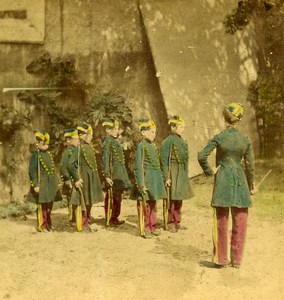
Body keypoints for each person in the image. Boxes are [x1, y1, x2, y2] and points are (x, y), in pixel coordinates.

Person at [198, 102, 256, 268]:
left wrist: (210, 171)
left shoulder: (219, 137)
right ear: (239, 119)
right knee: (241, 221)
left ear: (225, 118)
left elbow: (202, 156)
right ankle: (236, 260)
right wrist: (251, 186)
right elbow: (250, 166)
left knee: (221, 221)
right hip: (240, 183)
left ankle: (221, 259)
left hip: (223, 181)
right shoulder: (245, 140)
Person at [132, 118, 167, 238]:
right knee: (144, 205)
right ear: (143, 133)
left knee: (153, 204)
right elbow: (138, 167)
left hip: (154, 181)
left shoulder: (153, 146)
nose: (154, 134)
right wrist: (141, 184)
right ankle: (145, 228)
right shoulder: (141, 146)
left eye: (154, 132)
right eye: (151, 132)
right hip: (145, 181)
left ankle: (152, 226)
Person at [67, 122, 104, 232]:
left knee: (89, 201)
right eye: (89, 134)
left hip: (91, 177)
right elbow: (70, 164)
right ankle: (83, 225)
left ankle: (87, 222)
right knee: (83, 202)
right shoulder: (79, 148)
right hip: (84, 177)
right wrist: (77, 179)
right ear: (83, 135)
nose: (91, 136)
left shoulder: (88, 147)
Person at [160, 115, 193, 233]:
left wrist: (186, 173)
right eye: (180, 127)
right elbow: (164, 160)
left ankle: (177, 221)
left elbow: (186, 159)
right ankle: (170, 222)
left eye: (183, 127)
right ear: (173, 128)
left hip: (181, 172)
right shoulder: (168, 141)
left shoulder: (183, 141)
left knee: (179, 198)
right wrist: (166, 177)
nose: (183, 129)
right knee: (171, 199)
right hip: (172, 172)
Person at [27, 130, 62, 232]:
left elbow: (53, 169)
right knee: (42, 204)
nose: (46, 145)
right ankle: (42, 225)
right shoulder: (35, 155)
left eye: (47, 143)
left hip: (50, 182)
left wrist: (57, 181)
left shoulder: (49, 154)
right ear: (38, 143)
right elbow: (32, 171)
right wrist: (35, 185)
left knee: (50, 204)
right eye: (43, 143)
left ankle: (48, 223)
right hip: (41, 183)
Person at [101, 118, 132, 227]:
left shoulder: (115, 141)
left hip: (119, 174)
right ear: (107, 130)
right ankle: (109, 218)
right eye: (114, 129)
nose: (116, 131)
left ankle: (115, 217)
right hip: (113, 175)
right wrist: (107, 176)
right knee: (112, 197)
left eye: (117, 129)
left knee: (118, 196)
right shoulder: (107, 142)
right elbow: (105, 160)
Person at [59, 128, 80, 223]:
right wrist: (67, 180)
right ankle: (72, 218)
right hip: (70, 180)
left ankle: (77, 216)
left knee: (76, 198)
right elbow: (63, 167)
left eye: (78, 138)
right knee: (71, 199)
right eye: (75, 139)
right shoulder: (67, 152)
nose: (78, 140)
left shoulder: (77, 150)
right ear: (68, 140)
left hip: (76, 178)